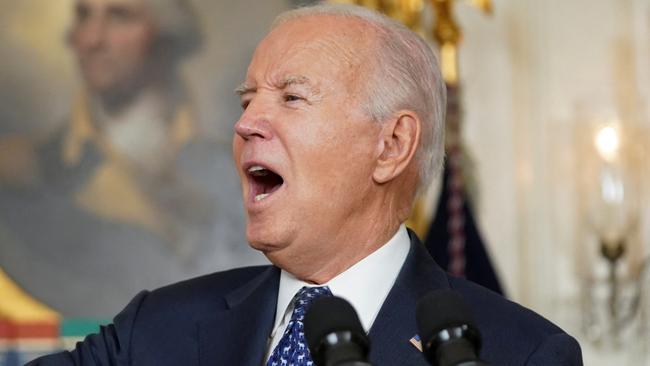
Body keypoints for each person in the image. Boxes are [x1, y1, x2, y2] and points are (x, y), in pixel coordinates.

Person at [27, 3, 583, 365]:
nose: (245, 124)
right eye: (246, 102)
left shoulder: (521, 353)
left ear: (391, 146)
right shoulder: (154, 332)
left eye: (291, 98)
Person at [0, 0, 256, 319]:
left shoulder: (236, 165)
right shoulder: (24, 170)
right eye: (83, 16)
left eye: (119, 16)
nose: (91, 39)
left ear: (165, 37)